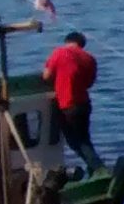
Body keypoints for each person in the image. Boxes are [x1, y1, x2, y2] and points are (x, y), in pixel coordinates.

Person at [42, 31, 101, 173]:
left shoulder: (60, 53)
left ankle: (99, 169)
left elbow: (47, 76)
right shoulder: (90, 58)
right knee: (85, 139)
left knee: (76, 142)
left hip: (67, 104)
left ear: (67, 41)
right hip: (84, 104)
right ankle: (94, 169)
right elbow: (88, 84)